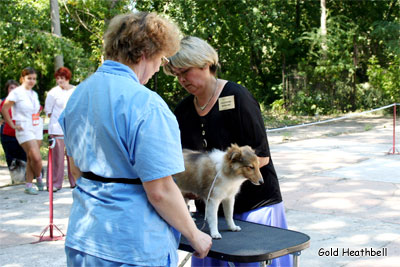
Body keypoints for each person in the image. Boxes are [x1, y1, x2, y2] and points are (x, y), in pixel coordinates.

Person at [59, 12, 212, 266]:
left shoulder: (78, 95)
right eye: (159, 60)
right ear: (144, 54)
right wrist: (195, 235)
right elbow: (160, 191)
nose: (155, 70)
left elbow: (75, 171)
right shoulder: (147, 105)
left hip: (84, 238)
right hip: (132, 247)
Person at [164, 36, 293, 267]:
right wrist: (188, 187)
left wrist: (220, 181)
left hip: (254, 208)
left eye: (185, 71)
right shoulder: (183, 110)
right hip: (209, 212)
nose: (181, 79)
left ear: (205, 64)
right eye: (176, 74)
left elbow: (261, 156)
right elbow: (181, 160)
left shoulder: (237, 97)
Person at [1, 68, 44, 195]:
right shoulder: (16, 93)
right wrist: (12, 125)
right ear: (22, 79)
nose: (32, 81)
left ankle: (29, 184)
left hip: (36, 126)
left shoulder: (34, 94)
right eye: (29, 78)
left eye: (34, 79)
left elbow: (36, 110)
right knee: (36, 157)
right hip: (23, 127)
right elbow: (4, 108)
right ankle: (39, 178)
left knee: (30, 157)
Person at [44, 67, 76, 191]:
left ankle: (75, 181)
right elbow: (48, 111)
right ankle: (54, 184)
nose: (60, 81)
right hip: (57, 129)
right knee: (57, 158)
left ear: (67, 78)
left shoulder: (75, 90)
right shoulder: (53, 93)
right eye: (58, 79)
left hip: (72, 129)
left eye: (62, 78)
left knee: (73, 157)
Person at [0, 80, 27, 169]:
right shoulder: (3, 101)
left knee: (23, 158)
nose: (13, 90)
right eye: (11, 88)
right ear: (7, 90)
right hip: (8, 135)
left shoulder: (24, 100)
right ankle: (15, 180)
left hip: (22, 133)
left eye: (15, 88)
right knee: (11, 160)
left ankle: (25, 180)